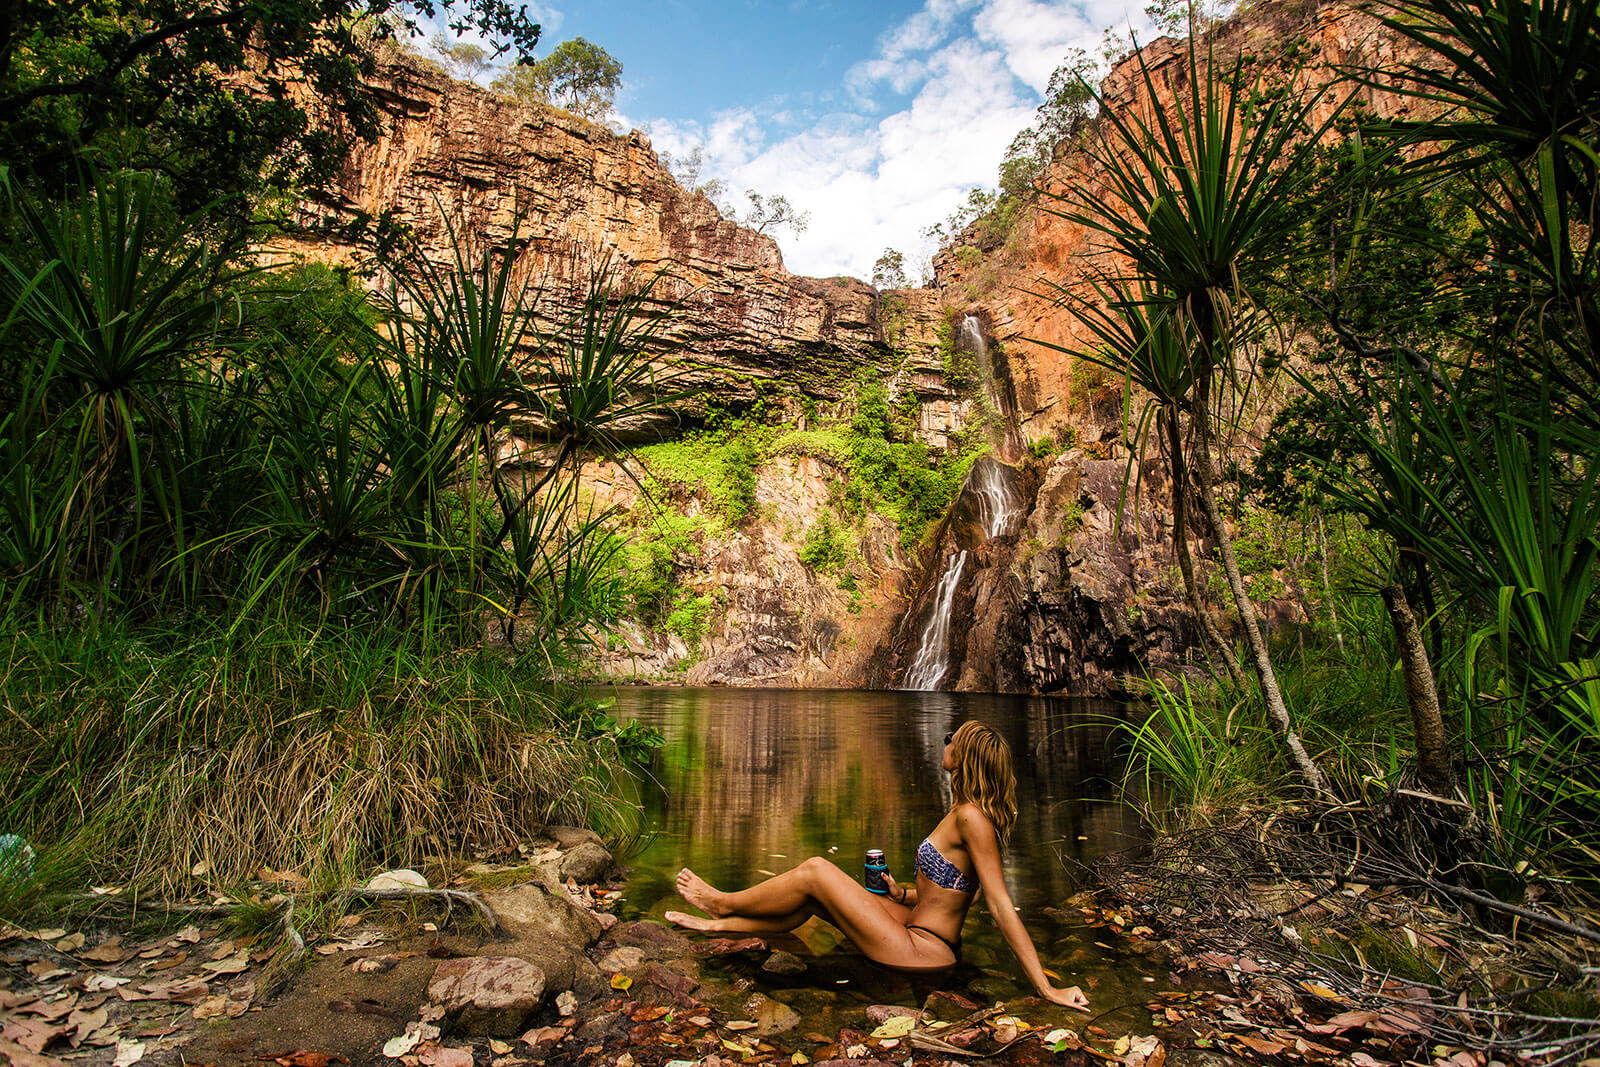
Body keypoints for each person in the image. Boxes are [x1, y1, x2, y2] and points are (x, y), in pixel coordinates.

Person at [665, 720, 1090, 1010]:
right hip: (913, 926)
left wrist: (1046, 988)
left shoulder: (971, 818)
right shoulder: (965, 810)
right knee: (815, 900)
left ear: (966, 757)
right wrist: (902, 894)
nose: (945, 742)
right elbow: (968, 892)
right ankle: (722, 925)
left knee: (816, 870)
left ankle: (722, 904)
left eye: (951, 738)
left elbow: (997, 903)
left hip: (922, 951)